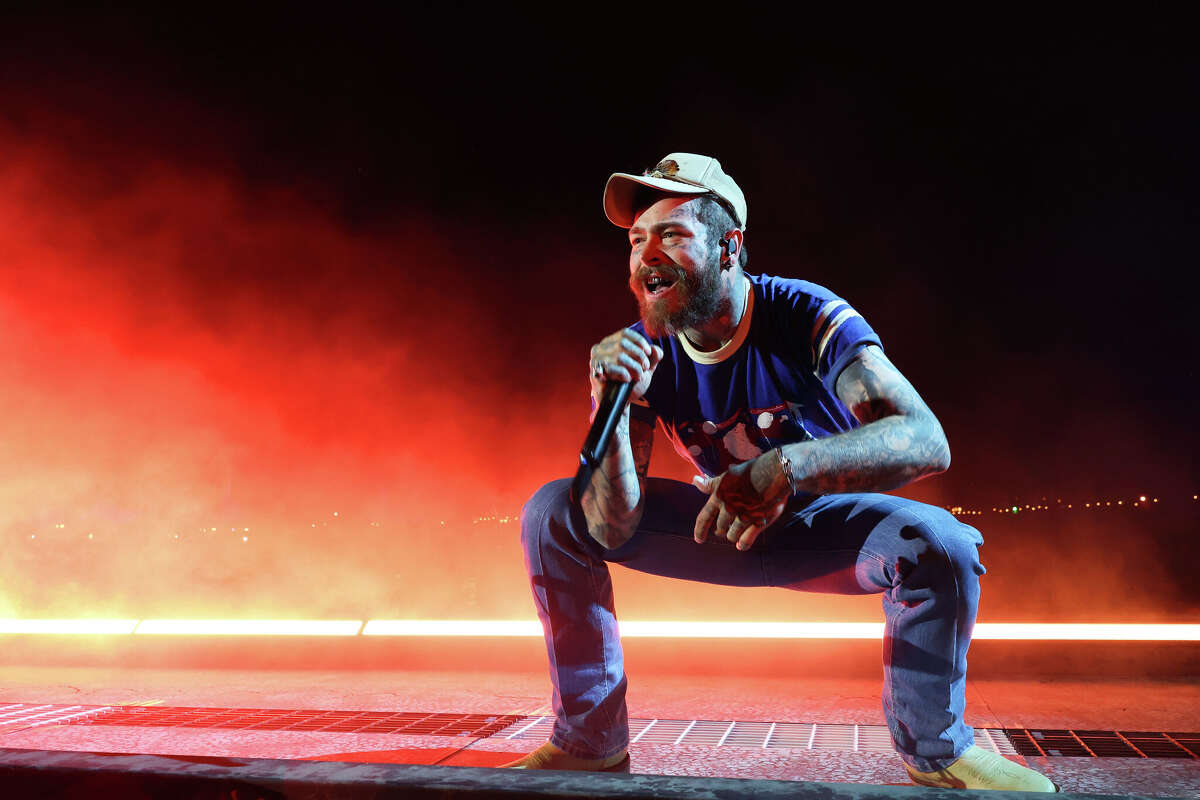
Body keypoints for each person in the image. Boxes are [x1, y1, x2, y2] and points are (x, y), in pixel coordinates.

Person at [504, 153, 1058, 792]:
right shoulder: (644, 352)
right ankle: (587, 745)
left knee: (939, 544)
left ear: (729, 247)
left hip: (819, 528)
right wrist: (610, 401)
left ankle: (936, 752)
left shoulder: (806, 315)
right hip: (717, 525)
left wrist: (787, 467)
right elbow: (610, 525)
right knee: (554, 512)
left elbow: (926, 440)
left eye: (672, 235)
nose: (646, 255)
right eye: (636, 241)